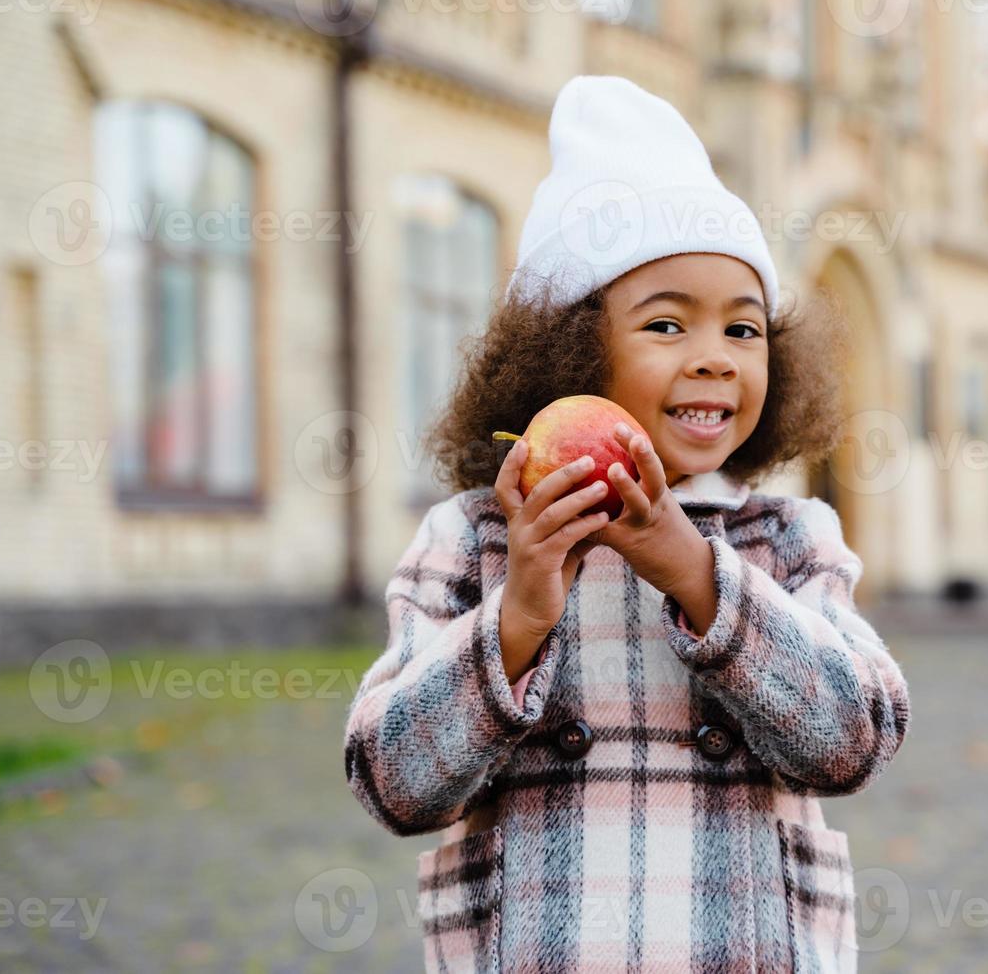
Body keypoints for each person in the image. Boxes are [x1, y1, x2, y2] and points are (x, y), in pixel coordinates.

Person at [343, 74, 910, 973]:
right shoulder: (474, 538)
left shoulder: (789, 535)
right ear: (569, 349)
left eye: (744, 329)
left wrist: (696, 573)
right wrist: (520, 616)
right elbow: (393, 785)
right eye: (667, 323)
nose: (715, 359)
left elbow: (856, 744)